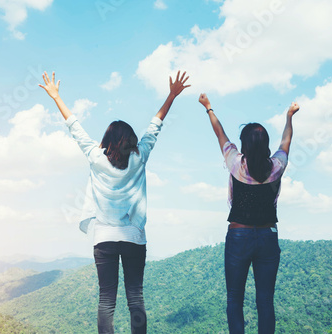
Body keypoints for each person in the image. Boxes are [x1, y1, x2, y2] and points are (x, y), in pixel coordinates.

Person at [40, 70, 190, 334]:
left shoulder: (96, 158)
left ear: (107, 141)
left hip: (104, 238)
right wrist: (172, 95)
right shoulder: (140, 156)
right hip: (134, 237)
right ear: (131, 140)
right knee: (136, 298)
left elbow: (75, 128)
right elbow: (156, 125)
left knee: (106, 300)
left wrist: (56, 97)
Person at [198, 93, 299, 334]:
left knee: (234, 299)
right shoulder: (276, 167)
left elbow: (220, 134)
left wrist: (209, 108)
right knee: (265, 300)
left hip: (238, 237)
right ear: (266, 145)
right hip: (267, 236)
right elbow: (286, 142)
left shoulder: (235, 162)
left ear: (243, 144)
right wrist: (289, 117)